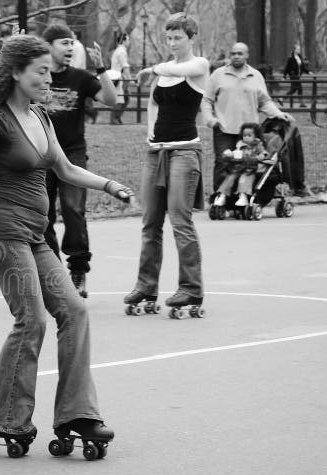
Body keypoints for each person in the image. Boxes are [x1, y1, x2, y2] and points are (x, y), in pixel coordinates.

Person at [0, 34, 133, 456]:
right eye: (40, 70)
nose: (47, 76)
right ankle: (3, 416)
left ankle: (77, 413)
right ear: (15, 73)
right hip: (3, 230)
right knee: (32, 318)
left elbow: (67, 169)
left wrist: (109, 185)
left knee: (73, 310)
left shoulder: (41, 116)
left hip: (35, 235)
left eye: (48, 70)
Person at [126, 12, 209, 315]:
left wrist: (151, 68)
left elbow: (180, 68)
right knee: (150, 223)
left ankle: (191, 289)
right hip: (156, 152)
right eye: (169, 37)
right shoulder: (163, 72)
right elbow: (154, 102)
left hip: (185, 152)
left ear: (191, 38)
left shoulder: (199, 66)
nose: (172, 42)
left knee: (180, 220)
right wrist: (150, 132)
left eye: (178, 37)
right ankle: (146, 286)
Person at [41, 24, 117, 298]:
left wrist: (101, 69)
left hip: (72, 152)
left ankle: (78, 270)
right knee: (43, 215)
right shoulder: (38, 75)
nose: (71, 48)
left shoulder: (81, 78)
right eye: (64, 43)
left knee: (73, 209)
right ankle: (52, 272)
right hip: (40, 153)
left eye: (72, 43)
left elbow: (111, 99)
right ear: (48, 46)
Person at [200, 42, 291, 193]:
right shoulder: (218, 75)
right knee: (223, 163)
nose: (236, 56)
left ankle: (243, 198)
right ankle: (219, 200)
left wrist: (278, 114)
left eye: (240, 53)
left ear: (247, 55)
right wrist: (210, 120)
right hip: (224, 129)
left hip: (250, 133)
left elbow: (265, 101)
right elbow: (206, 100)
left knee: (249, 165)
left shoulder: (256, 76)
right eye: (233, 53)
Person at [213, 122, 269, 207]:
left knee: (244, 179)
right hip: (238, 168)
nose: (246, 138)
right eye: (244, 135)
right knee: (229, 178)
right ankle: (222, 196)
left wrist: (262, 155)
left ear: (255, 136)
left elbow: (264, 152)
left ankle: (243, 197)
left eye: (249, 135)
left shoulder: (258, 144)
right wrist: (230, 154)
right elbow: (236, 152)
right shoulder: (240, 144)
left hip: (251, 169)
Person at [110, 33, 131, 125]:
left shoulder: (118, 50)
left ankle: (116, 118)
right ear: (124, 40)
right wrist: (130, 79)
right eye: (128, 40)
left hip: (117, 77)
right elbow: (124, 66)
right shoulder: (121, 51)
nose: (129, 42)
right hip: (119, 78)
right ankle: (114, 119)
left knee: (124, 98)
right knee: (120, 99)